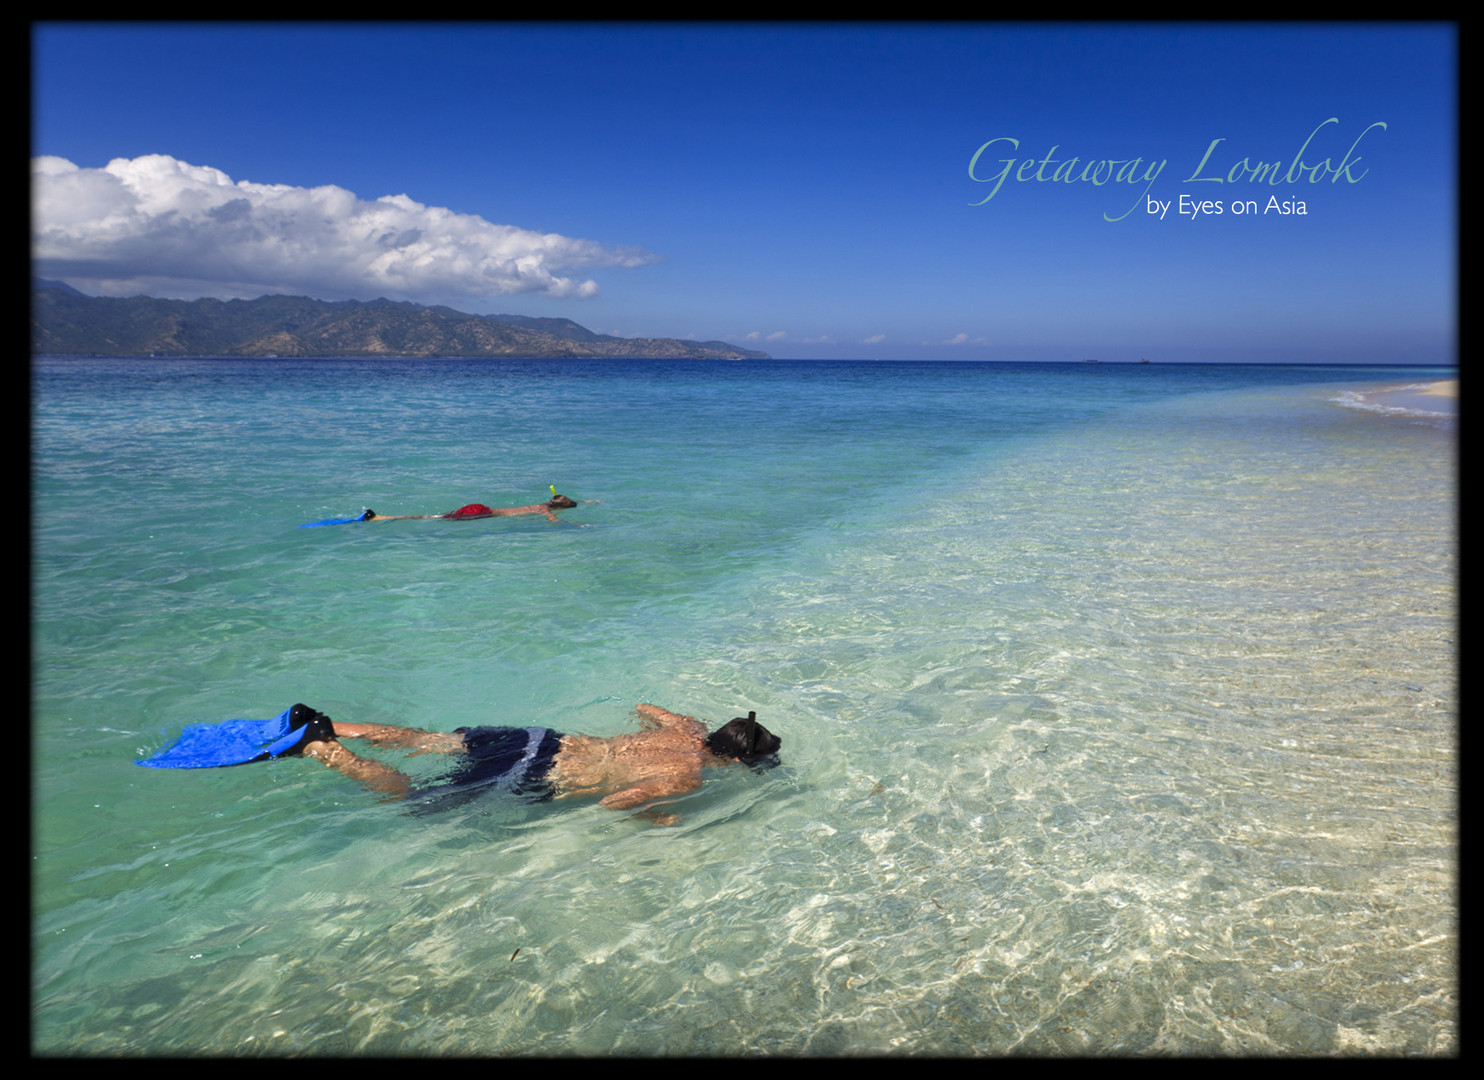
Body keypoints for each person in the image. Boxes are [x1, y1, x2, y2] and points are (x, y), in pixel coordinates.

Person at [279, 702, 781, 825]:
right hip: (535, 775)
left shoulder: (687, 729)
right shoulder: (685, 776)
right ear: (736, 761)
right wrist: (656, 815)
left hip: (539, 738)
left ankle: (323, 722)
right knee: (414, 800)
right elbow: (613, 802)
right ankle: (324, 750)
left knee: (425, 740)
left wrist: (668, 728)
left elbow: (644, 707)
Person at [360, 491, 580, 524]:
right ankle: (381, 518)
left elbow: (557, 502)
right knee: (436, 518)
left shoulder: (543, 504)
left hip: (482, 508)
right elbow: (556, 522)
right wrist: (577, 525)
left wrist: (592, 501)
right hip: (483, 514)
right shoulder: (545, 511)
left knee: (437, 515)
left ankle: (382, 516)